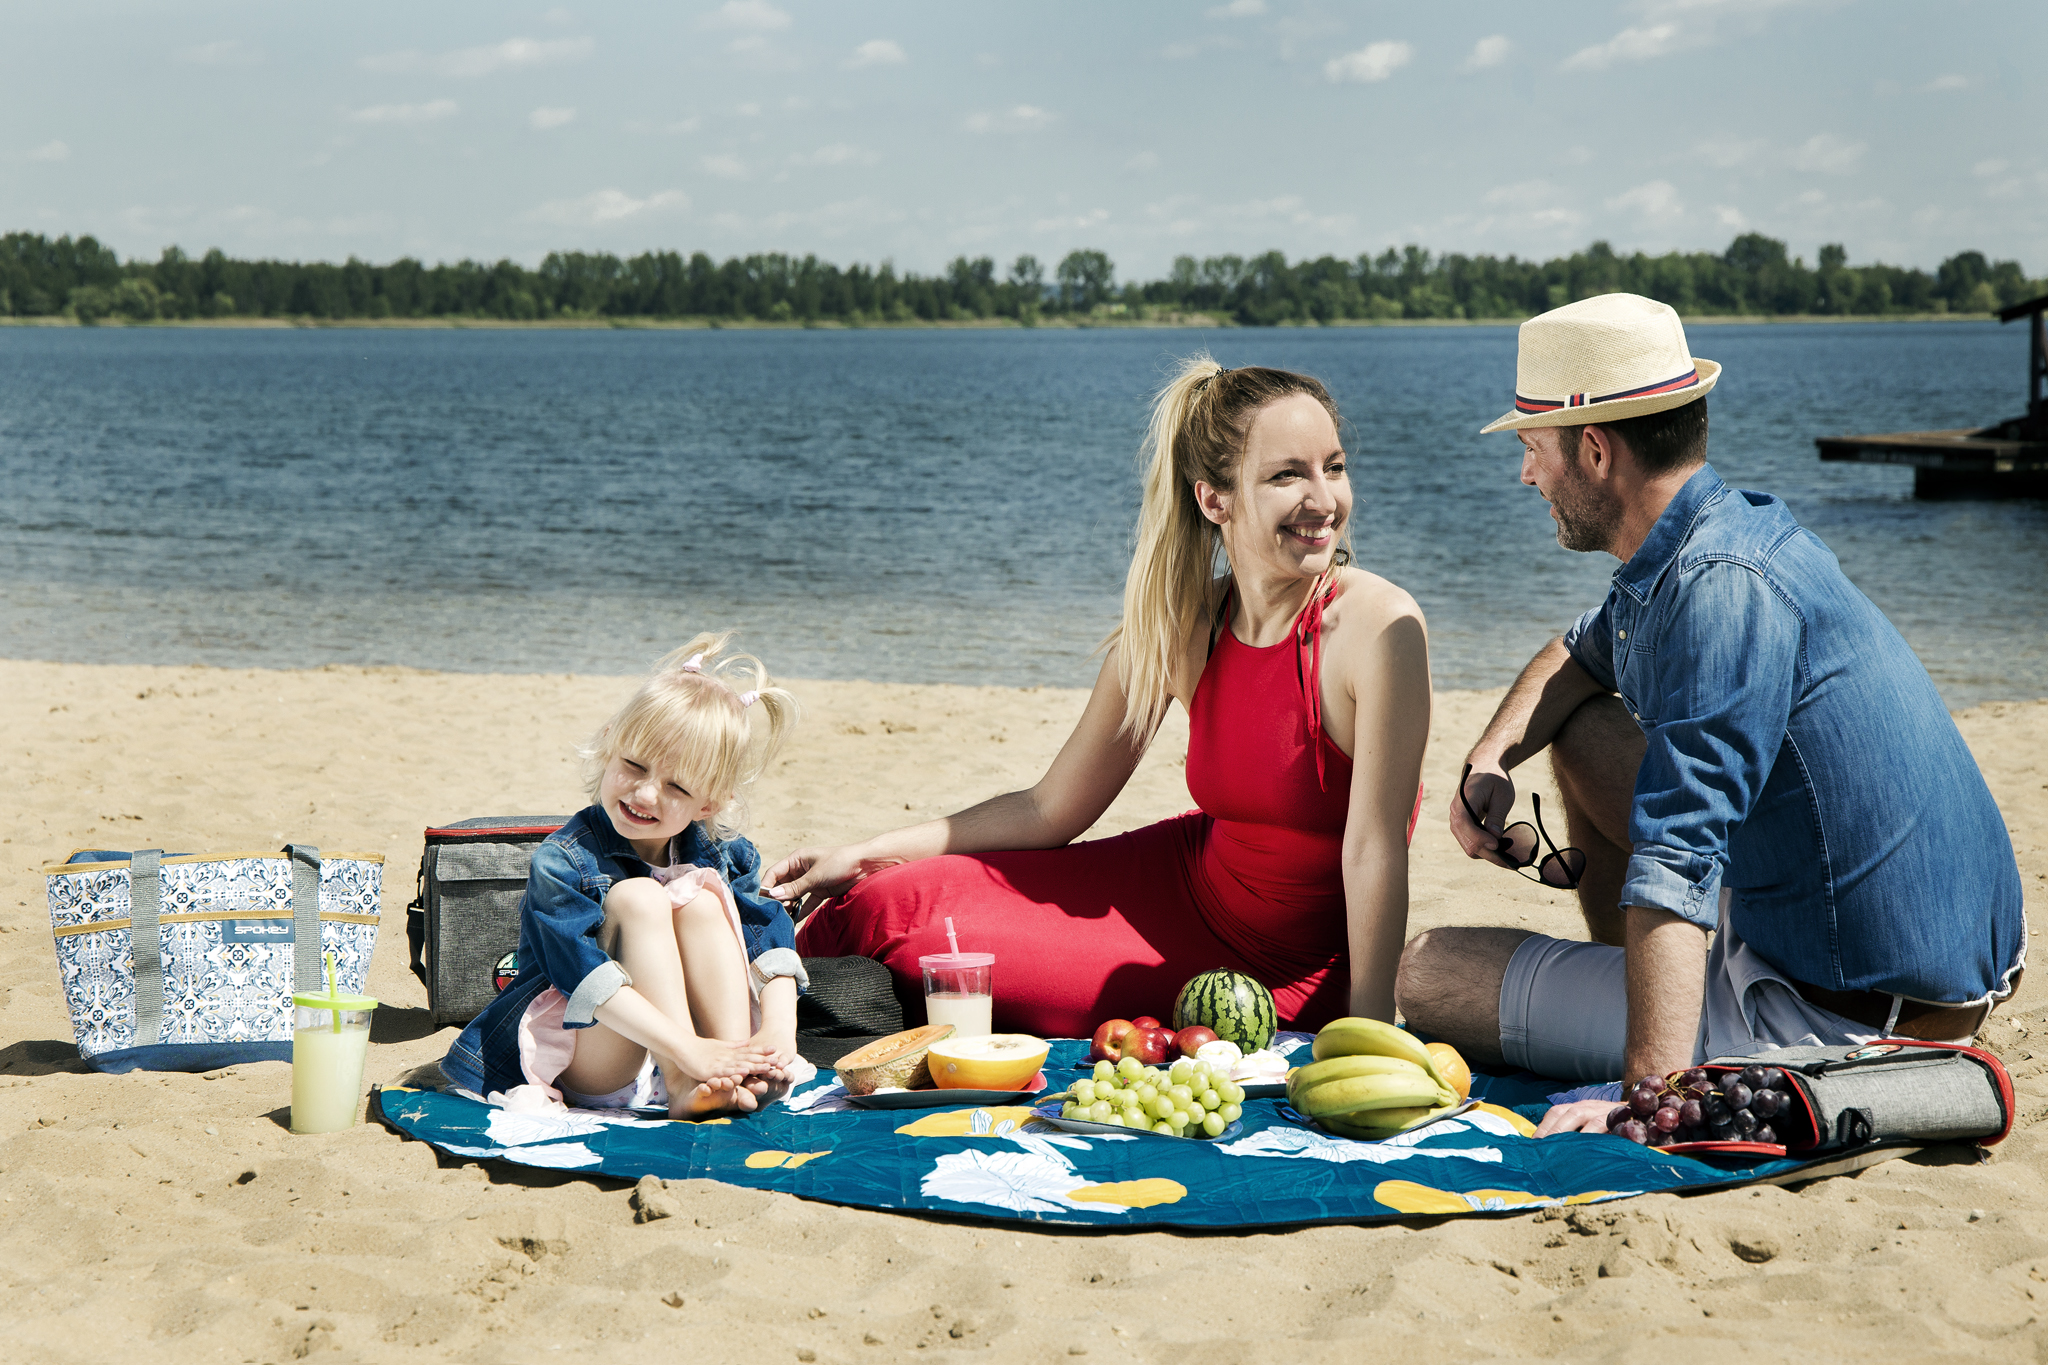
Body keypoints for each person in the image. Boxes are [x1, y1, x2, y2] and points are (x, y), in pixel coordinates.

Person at [1394, 292, 2026, 1136]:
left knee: (1428, 975)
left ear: (1592, 450)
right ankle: (1647, 989)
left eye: (1531, 448)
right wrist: (1491, 756)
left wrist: (1648, 1099)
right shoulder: (1712, 538)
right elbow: (1580, 656)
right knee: (1581, 730)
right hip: (1882, 950)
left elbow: (1678, 852)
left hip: (1852, 1017)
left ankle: (1659, 1032)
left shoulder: (1720, 593)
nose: (1525, 474)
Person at [768, 356, 1431, 1037]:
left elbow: (1375, 848)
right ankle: (735, 1002)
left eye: (1335, 466)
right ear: (1214, 499)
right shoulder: (1187, 626)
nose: (1324, 500)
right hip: (1178, 882)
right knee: (882, 900)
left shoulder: (1377, 627)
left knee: (923, 949)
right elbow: (1048, 807)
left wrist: (1371, 1031)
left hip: (1277, 972)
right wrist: (867, 849)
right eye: (1288, 474)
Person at [443, 634, 809, 1118]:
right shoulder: (564, 861)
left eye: (676, 786)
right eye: (633, 765)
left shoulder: (728, 856)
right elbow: (582, 976)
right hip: (595, 1057)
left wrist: (778, 1033)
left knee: (701, 899)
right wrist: (685, 1050)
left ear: (710, 803)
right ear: (611, 743)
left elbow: (768, 938)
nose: (646, 793)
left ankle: (736, 1069)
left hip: (703, 1053)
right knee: (639, 897)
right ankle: (684, 1080)